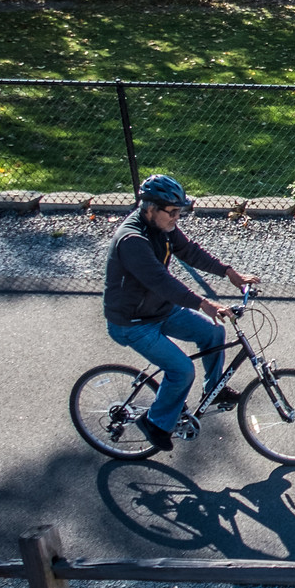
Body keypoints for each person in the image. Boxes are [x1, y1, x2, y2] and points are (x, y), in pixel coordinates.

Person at [103, 174, 258, 453]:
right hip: (132, 323)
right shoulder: (132, 240)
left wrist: (229, 273)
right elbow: (161, 281)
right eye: (172, 212)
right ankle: (156, 423)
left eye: (180, 212)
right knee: (181, 370)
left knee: (213, 332)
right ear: (150, 208)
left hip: (159, 310)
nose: (177, 218)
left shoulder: (161, 228)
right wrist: (204, 303)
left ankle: (214, 388)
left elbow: (189, 251)